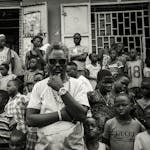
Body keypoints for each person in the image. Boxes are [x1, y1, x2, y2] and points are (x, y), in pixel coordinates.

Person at [26, 43, 89, 150]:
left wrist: (61, 89)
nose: (57, 64)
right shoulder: (39, 86)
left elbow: (82, 115)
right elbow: (30, 119)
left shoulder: (78, 84)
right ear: (47, 63)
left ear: (67, 62)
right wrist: (61, 115)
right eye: (52, 61)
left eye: (62, 61)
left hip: (73, 146)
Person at [87, 69, 114, 141]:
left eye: (111, 82)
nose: (109, 85)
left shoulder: (114, 97)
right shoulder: (91, 95)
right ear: (98, 82)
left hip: (111, 132)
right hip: (96, 133)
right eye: (105, 82)